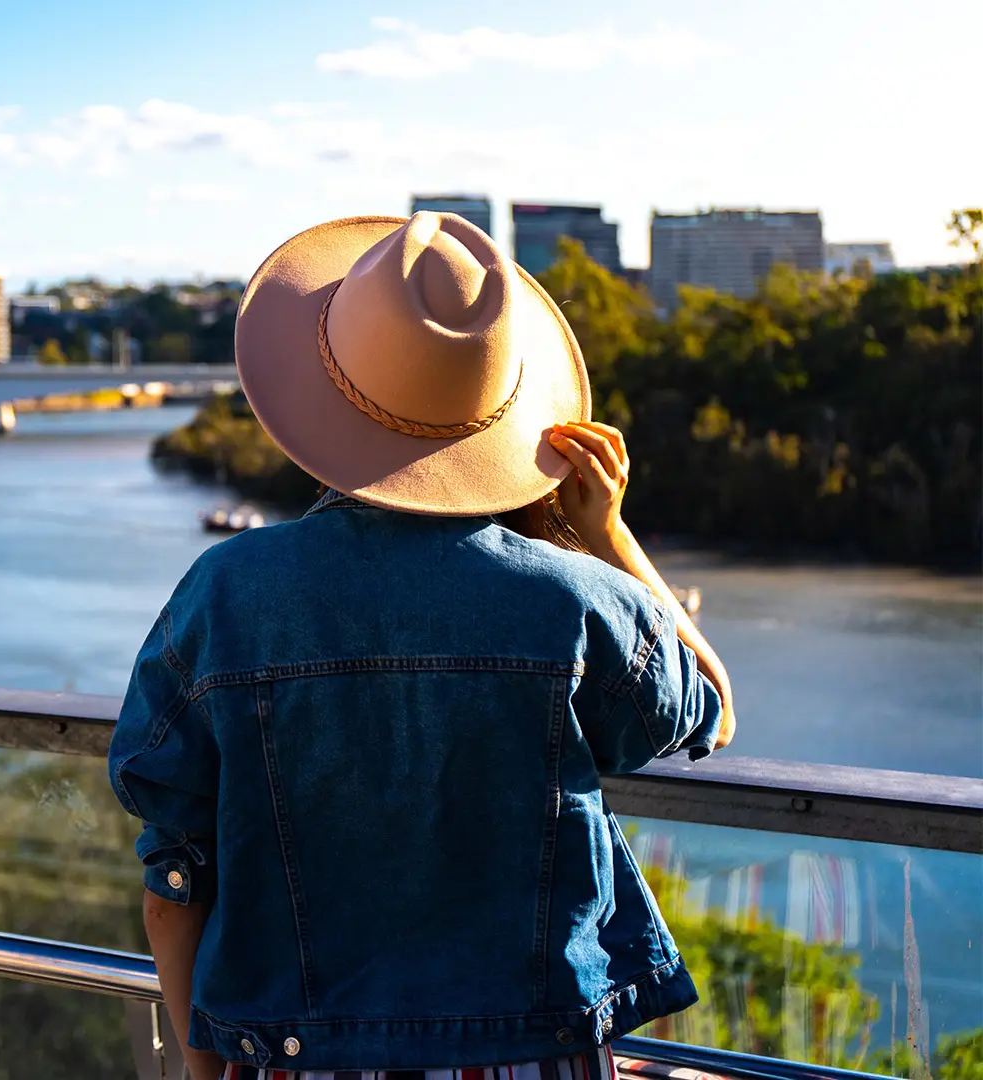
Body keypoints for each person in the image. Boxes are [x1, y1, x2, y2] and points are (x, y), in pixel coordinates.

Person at [110, 212, 736, 1080]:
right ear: (496, 419)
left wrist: (205, 1071)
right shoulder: (572, 599)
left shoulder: (226, 595)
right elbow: (709, 706)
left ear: (317, 396)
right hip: (532, 1058)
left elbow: (173, 890)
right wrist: (609, 537)